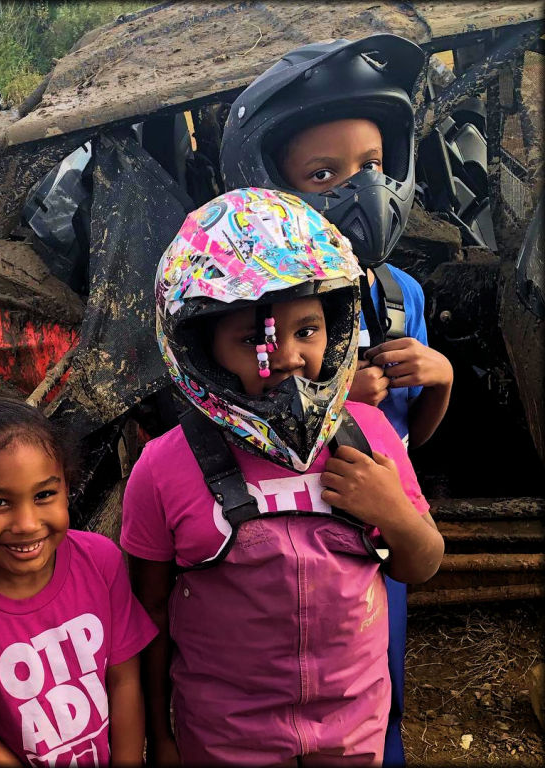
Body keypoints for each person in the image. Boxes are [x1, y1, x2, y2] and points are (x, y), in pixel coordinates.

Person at [123, 188, 444, 766]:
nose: (289, 358)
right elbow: (148, 612)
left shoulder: (369, 437)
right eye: (253, 340)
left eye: (308, 330)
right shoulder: (165, 468)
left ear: (337, 326)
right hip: (225, 740)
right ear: (202, 348)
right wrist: (160, 734)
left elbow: (420, 564)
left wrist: (392, 511)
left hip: (351, 732)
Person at [219, 35, 455, 765]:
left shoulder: (398, 293)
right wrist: (327, 393)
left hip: (379, 529)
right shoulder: (253, 305)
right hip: (289, 544)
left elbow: (414, 431)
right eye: (324, 175)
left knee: (378, 676)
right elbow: (219, 407)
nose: (360, 191)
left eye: (373, 167)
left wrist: (439, 377)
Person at [0, 392, 158, 767]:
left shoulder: (100, 562)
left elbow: (124, 681)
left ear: (66, 487)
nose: (27, 524)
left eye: (45, 494)